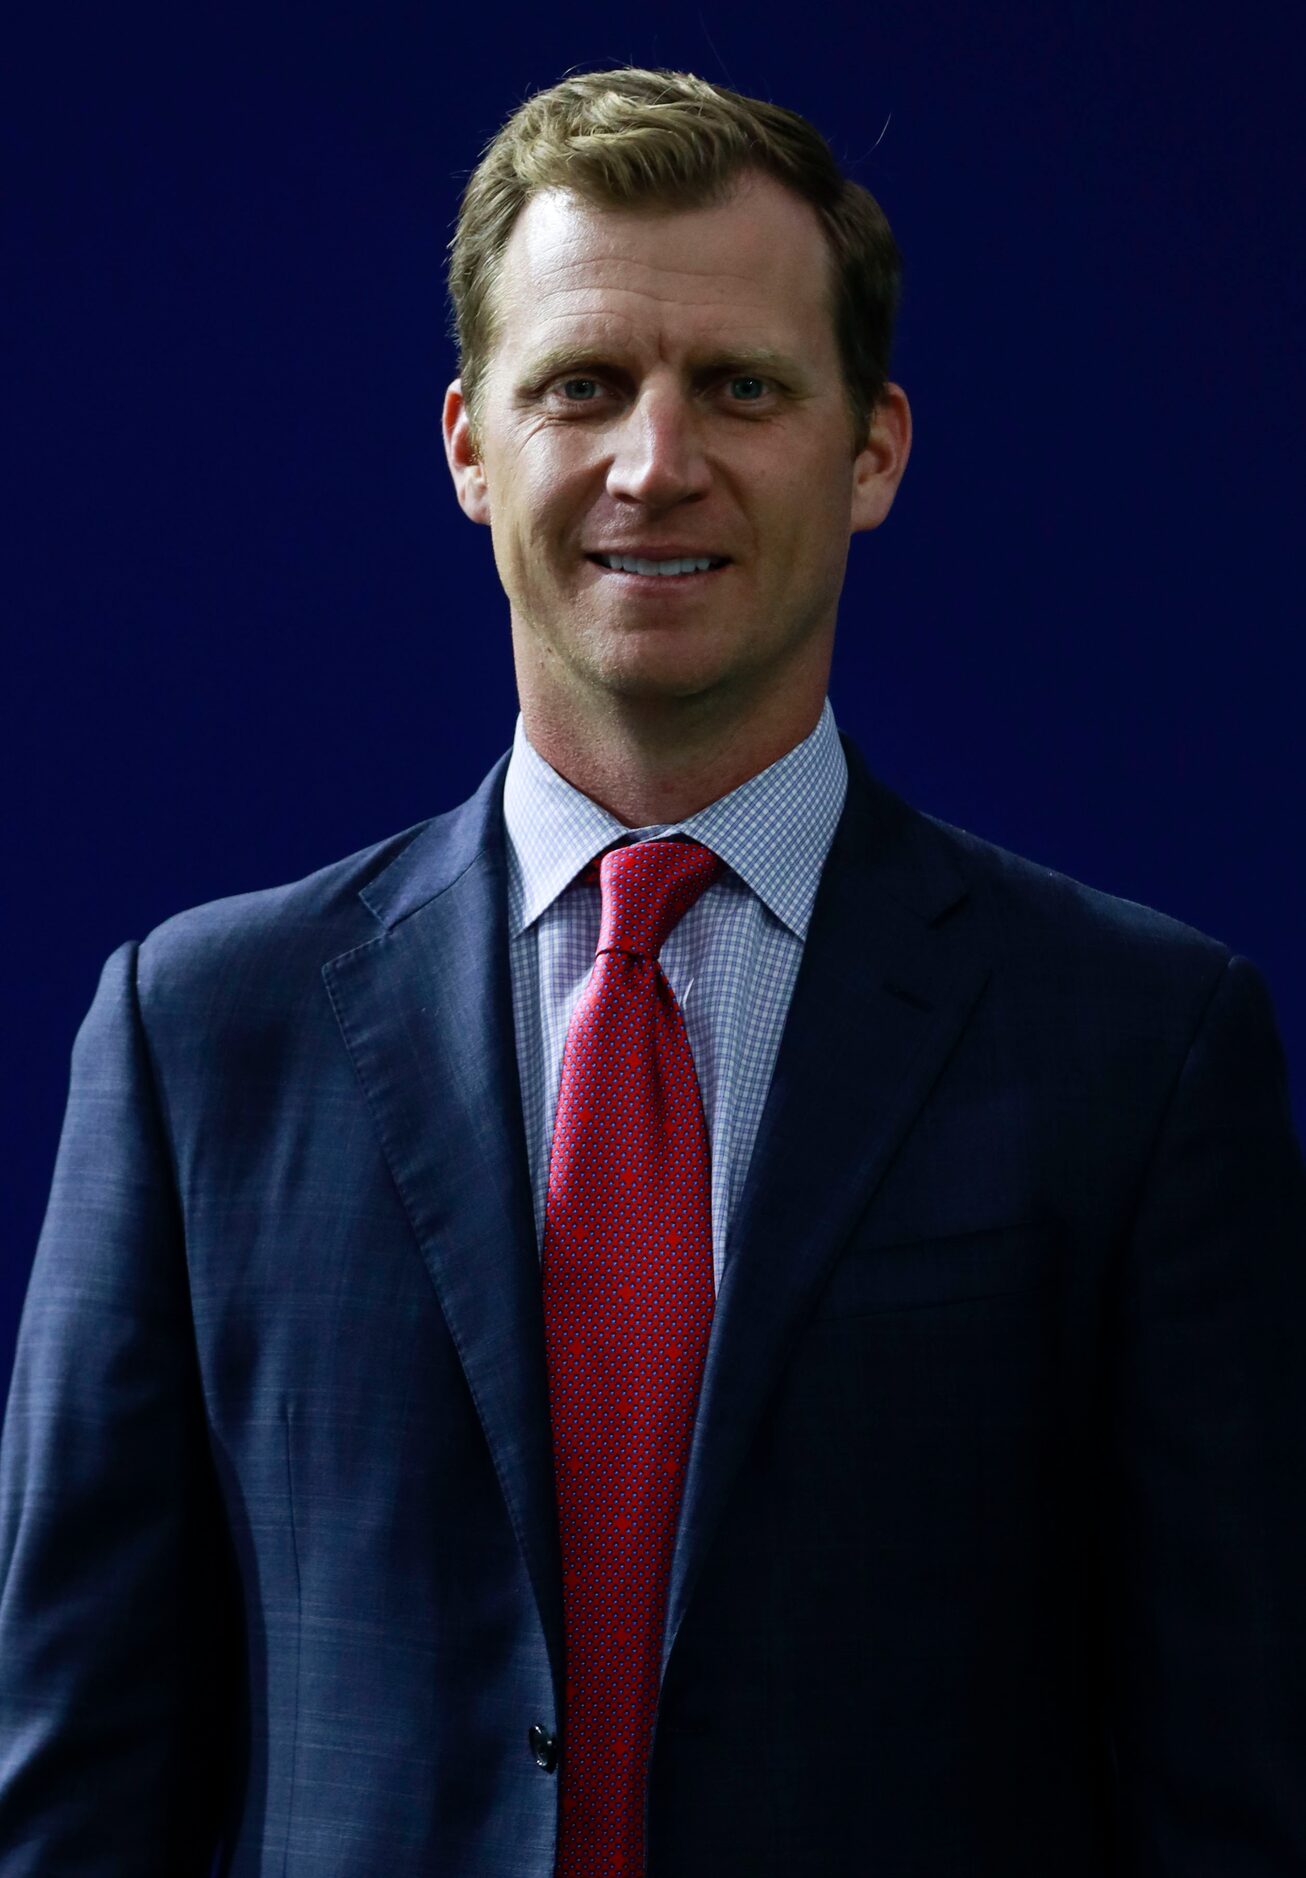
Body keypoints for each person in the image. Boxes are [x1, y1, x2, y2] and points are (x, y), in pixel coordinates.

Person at [1, 64, 1303, 1877]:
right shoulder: (193, 1039)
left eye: (743, 388)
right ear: (470, 443)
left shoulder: (1142, 1050)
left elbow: (1230, 1790)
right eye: (581, 387)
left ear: (874, 449)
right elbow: (74, 1800)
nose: (653, 460)